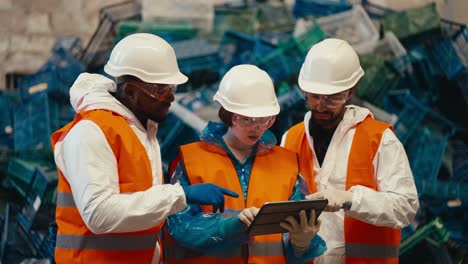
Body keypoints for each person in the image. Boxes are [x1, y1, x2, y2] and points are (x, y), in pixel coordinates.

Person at [50, 33, 238, 264]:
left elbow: (139, 213)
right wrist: (181, 195)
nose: (170, 98)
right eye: (160, 90)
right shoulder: (92, 131)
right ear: (129, 92)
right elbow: (99, 214)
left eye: (171, 88)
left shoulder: (141, 131)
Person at [164, 64, 327, 264]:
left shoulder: (288, 164)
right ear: (226, 114)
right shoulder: (190, 160)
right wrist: (229, 225)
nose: (256, 128)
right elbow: (180, 227)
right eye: (247, 119)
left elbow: (295, 244)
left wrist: (302, 243)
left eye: (265, 120)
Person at [281, 38, 420, 264]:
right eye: (314, 96)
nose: (321, 105)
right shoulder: (291, 139)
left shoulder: (379, 139)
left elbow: (405, 206)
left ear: (350, 92)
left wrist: (351, 199)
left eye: (332, 97)